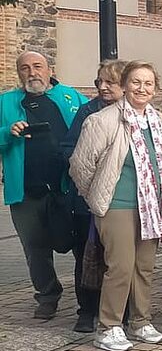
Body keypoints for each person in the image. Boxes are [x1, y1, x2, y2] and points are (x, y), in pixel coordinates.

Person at [69, 61, 162, 351]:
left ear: (155, 89)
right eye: (136, 82)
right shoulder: (103, 120)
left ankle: (141, 322)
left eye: (148, 83)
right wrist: (96, 195)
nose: (142, 88)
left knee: (144, 267)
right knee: (120, 267)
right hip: (118, 204)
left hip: (150, 205)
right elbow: (80, 166)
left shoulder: (157, 120)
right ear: (125, 85)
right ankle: (108, 327)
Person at [3, 51, 91, 325]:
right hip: (27, 190)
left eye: (37, 66)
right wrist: (7, 131)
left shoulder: (71, 97)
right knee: (35, 247)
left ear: (49, 68)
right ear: (18, 73)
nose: (32, 73)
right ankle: (47, 295)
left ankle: (87, 300)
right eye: (25, 68)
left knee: (79, 245)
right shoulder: (6, 102)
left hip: (68, 188)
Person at [59, 60, 121, 332]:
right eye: (100, 82)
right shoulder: (87, 111)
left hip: (122, 201)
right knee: (86, 255)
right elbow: (68, 149)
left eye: (110, 82)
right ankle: (86, 310)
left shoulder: (132, 113)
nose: (103, 87)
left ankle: (121, 310)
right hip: (87, 199)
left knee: (117, 259)